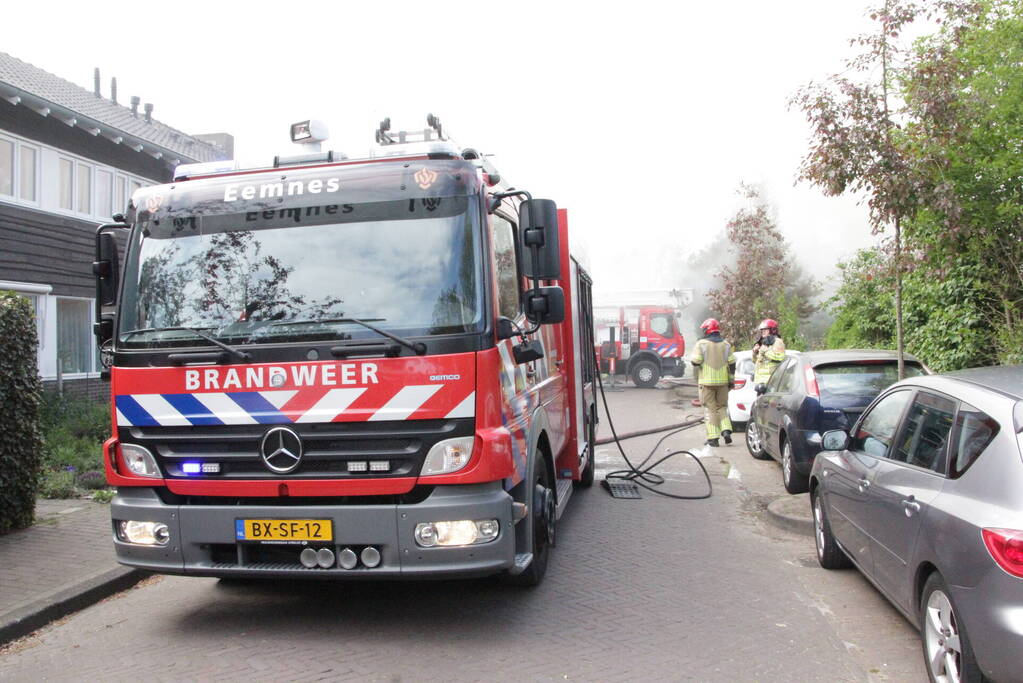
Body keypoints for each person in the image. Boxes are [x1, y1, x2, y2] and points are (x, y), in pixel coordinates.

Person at [689, 318, 736, 446]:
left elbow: (695, 361)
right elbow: (732, 364)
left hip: (707, 383)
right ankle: (726, 431)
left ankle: (713, 438)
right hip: (723, 383)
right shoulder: (726, 344)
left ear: (707, 330)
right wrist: (731, 381)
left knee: (710, 409)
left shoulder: (702, 344)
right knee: (722, 407)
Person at [752, 318, 786, 385]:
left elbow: (780, 357)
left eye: (765, 329)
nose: (763, 332)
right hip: (760, 382)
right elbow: (755, 361)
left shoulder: (777, 342)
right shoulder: (763, 342)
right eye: (762, 330)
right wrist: (755, 352)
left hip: (771, 382)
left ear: (772, 330)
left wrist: (765, 351)